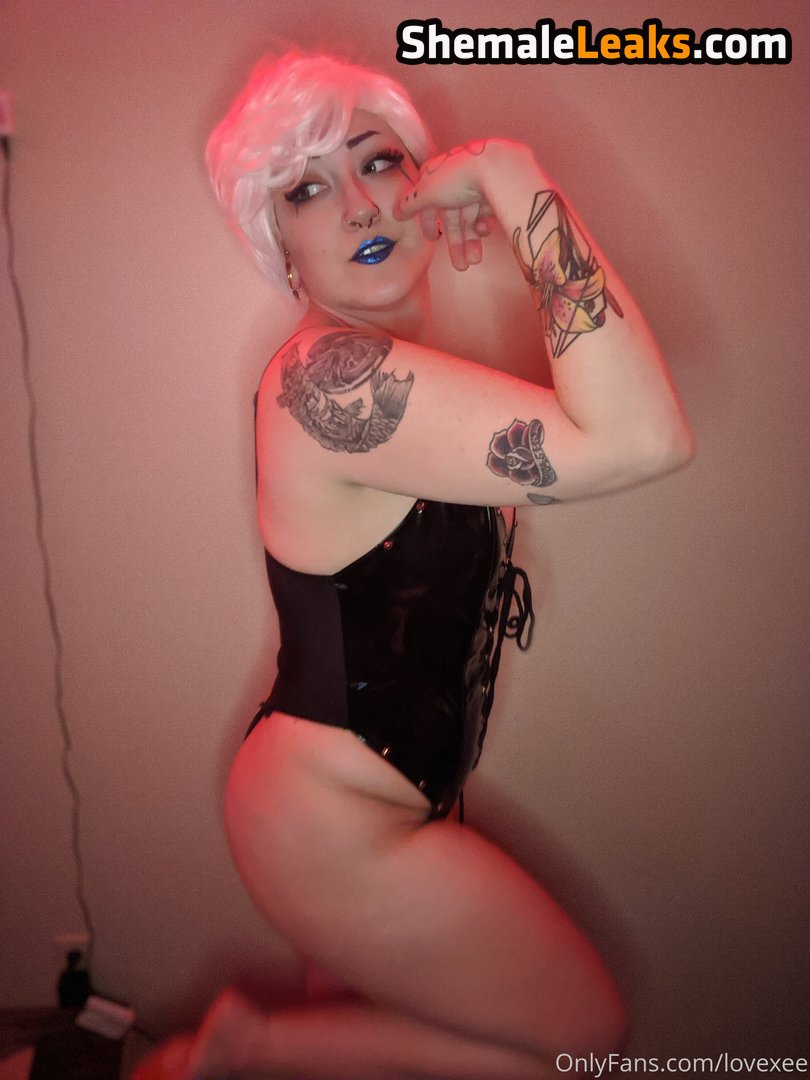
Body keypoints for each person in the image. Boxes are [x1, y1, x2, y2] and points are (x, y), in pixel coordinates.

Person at [136, 50, 693, 1080]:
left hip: (370, 799)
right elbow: (642, 437)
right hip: (332, 827)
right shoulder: (332, 381)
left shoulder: (401, 372)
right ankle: (249, 1053)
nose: (357, 204)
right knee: (581, 1039)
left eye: (378, 161)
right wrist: (516, 179)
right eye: (306, 190)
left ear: (421, 185)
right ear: (282, 251)